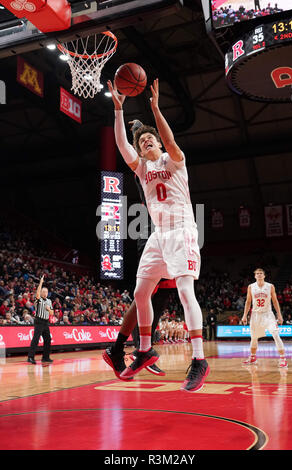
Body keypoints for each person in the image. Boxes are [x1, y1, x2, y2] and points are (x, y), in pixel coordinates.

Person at [106, 78, 210, 392]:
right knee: (140, 293)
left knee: (184, 293)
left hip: (182, 231)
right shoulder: (142, 169)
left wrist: (155, 108)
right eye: (143, 143)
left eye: (151, 140)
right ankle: (145, 350)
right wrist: (118, 111)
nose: (147, 143)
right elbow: (124, 147)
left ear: (159, 145)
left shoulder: (174, 161)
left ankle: (199, 359)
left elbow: (170, 139)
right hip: (159, 235)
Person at [241, 268, 287, 368]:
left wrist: (279, 315)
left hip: (268, 314)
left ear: (264, 275)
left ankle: (283, 358)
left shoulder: (270, 286)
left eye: (261, 273)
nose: (259, 275)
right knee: (253, 338)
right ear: (254, 276)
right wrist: (244, 315)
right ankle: (253, 357)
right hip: (255, 315)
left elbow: (275, 301)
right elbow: (248, 302)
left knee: (275, 334)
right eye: (257, 273)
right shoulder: (251, 287)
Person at [27, 275, 54, 365]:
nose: (45, 293)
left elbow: (52, 313)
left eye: (46, 292)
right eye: (43, 291)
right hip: (39, 321)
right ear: (41, 292)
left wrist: (49, 309)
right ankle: (30, 357)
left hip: (46, 322)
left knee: (48, 339)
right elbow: (37, 293)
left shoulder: (49, 301)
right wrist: (41, 282)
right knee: (36, 339)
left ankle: (45, 357)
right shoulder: (38, 300)